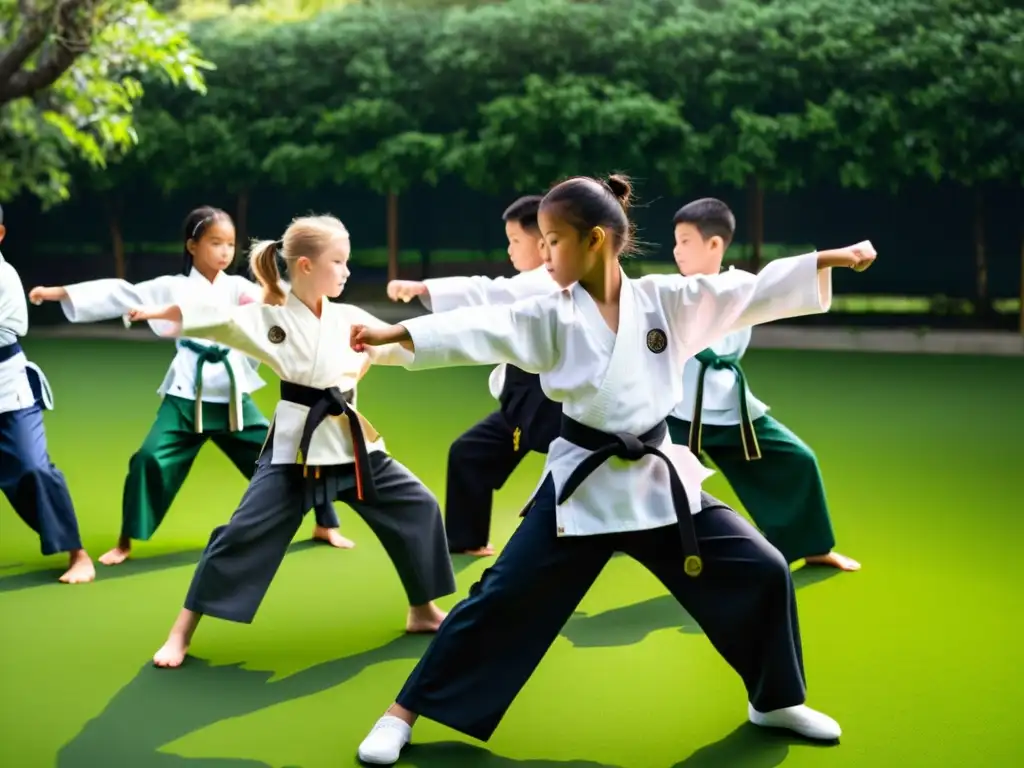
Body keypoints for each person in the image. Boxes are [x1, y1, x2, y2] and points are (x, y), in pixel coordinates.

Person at [349, 174, 876, 764]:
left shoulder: (664, 300)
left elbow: (745, 291)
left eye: (553, 241)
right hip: (583, 486)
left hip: (658, 478)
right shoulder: (550, 313)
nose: (544, 255)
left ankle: (776, 698)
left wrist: (827, 259)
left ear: (595, 239)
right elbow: (482, 328)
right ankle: (402, 715)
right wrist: (398, 331)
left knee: (762, 567)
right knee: (501, 598)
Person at [125, 214, 456, 668]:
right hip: (294, 451)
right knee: (241, 534)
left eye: (347, 262)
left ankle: (422, 608)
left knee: (417, 505)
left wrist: (429, 337)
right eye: (338, 262)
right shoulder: (270, 320)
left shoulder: (351, 318)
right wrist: (158, 313)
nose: (346, 271)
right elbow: (213, 319)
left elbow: (403, 345)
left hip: (349, 443)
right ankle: (180, 633)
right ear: (304, 266)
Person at [28, 207, 350, 566]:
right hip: (186, 394)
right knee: (149, 459)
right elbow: (121, 294)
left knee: (285, 456)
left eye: (230, 244)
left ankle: (326, 522)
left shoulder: (241, 289)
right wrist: (58, 293)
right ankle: (125, 540)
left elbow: (283, 301)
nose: (225, 252)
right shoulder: (171, 287)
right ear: (192, 245)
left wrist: (304, 287)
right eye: (215, 243)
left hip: (232, 397)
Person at [666, 198, 859, 570]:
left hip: (728, 405)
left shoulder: (740, 285)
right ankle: (620, 535)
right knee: (640, 469)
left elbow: (780, 281)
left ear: (715, 245)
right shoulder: (668, 290)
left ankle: (812, 545)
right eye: (675, 242)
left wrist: (830, 258)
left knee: (797, 459)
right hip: (676, 406)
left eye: (685, 241)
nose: (677, 251)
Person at [387, 195, 561, 556]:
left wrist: (425, 289)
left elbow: (490, 291)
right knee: (470, 454)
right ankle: (468, 540)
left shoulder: (544, 282)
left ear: (543, 243)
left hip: (555, 406)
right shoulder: (535, 282)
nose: (509, 249)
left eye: (515, 240)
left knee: (577, 483)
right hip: (522, 400)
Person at [0, 203, 95, 583]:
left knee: (32, 468)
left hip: (7, 389)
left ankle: (77, 553)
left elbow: (10, 331)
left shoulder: (5, 277)